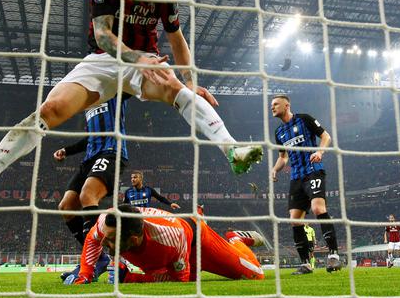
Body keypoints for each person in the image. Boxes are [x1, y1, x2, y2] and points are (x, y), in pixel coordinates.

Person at [0, 0, 263, 204]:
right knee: (50, 111)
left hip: (143, 62)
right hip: (103, 60)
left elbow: (177, 39)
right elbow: (103, 35)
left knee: (176, 89)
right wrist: (136, 57)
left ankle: (232, 150)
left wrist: (190, 81)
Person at [67, 204, 265, 284]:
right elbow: (92, 241)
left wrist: (129, 277)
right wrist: (85, 273)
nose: (104, 242)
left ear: (133, 240)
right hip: (171, 245)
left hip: (198, 244)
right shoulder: (106, 222)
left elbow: (179, 281)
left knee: (256, 275)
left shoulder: (170, 239)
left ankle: (236, 239)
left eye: (111, 240)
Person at [270, 94, 340, 275]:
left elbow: (326, 137)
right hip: (296, 178)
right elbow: (283, 157)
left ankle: (334, 256)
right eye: (272, 105)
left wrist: (320, 152)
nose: (272, 107)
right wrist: (275, 169)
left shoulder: (304, 119)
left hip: (313, 170)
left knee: (318, 209)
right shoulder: (279, 133)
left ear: (286, 106)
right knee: (294, 220)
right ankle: (305, 264)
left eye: (276, 104)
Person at [53, 96, 131, 246]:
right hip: (89, 159)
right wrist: (66, 150)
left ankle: (95, 256)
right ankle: (98, 257)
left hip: (111, 152)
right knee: (66, 207)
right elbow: (90, 138)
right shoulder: (88, 104)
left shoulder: (114, 92)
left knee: (87, 195)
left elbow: (132, 84)